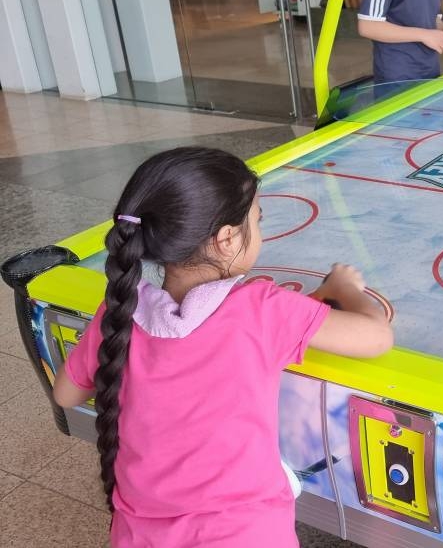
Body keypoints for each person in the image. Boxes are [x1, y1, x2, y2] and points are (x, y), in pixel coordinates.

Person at [52, 147, 393, 547]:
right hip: (245, 534)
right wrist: (345, 288)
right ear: (227, 239)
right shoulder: (262, 309)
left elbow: (66, 393)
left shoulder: (119, 311)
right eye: (257, 221)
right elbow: (377, 336)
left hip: (137, 533)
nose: (259, 230)